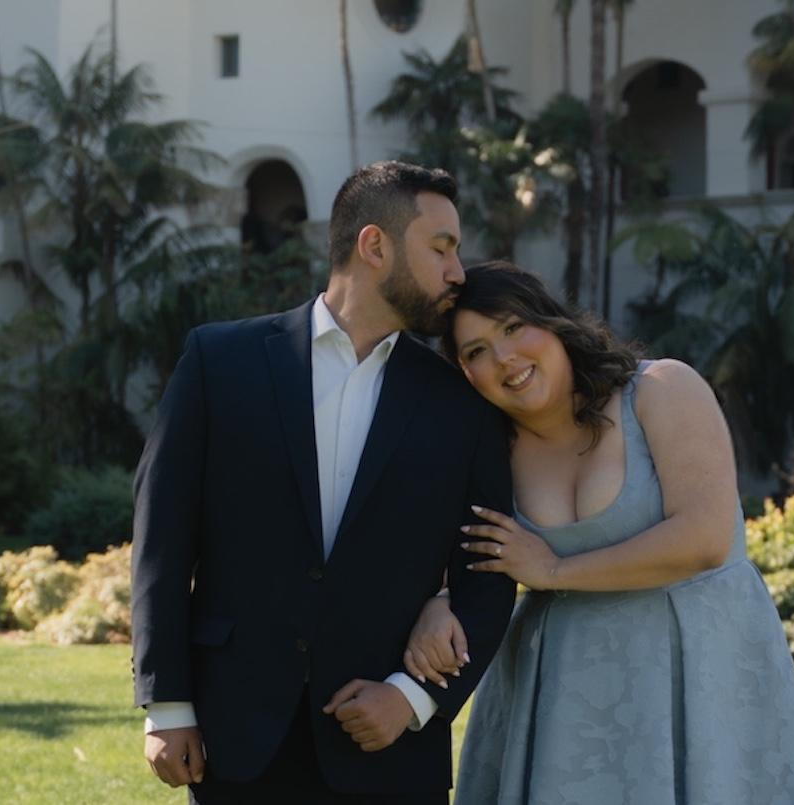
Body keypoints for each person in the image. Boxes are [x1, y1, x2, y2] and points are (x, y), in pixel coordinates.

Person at [131, 161, 517, 804]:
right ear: (374, 245)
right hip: (236, 741)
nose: (458, 272)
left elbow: (488, 572)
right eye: (442, 248)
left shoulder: (463, 404)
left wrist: (412, 698)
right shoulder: (218, 363)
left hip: (389, 750)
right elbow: (161, 542)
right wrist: (167, 705)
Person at [404, 261, 794, 804]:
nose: (504, 357)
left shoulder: (660, 390)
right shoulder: (486, 451)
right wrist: (439, 601)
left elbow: (703, 538)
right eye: (476, 351)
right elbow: (455, 550)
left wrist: (553, 570)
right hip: (563, 694)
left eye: (512, 327)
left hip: (698, 673)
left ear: (552, 322)